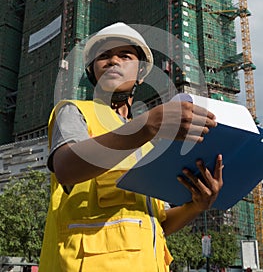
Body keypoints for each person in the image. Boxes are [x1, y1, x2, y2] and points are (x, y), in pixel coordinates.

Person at [39, 22, 223, 272]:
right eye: (103, 56)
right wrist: (146, 126)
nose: (113, 61)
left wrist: (197, 206)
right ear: (92, 71)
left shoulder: (147, 146)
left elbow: (156, 224)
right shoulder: (74, 110)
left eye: (125, 56)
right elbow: (66, 167)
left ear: (140, 73)